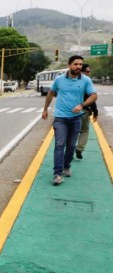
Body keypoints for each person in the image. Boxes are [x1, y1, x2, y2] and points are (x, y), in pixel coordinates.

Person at [42, 55, 97, 185]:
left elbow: (94, 95)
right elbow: (51, 93)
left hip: (76, 118)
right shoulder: (59, 79)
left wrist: (81, 105)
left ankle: (67, 165)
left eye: (80, 65)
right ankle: (57, 173)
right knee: (59, 144)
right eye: (76, 64)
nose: (78, 67)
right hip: (60, 118)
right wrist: (45, 109)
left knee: (71, 146)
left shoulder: (86, 80)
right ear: (69, 65)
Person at [75, 63, 99, 160]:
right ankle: (79, 148)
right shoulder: (87, 82)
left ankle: (70, 150)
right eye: (87, 71)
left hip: (71, 111)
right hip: (83, 111)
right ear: (82, 71)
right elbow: (92, 99)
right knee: (84, 131)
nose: (89, 73)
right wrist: (95, 112)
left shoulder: (71, 81)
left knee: (72, 132)